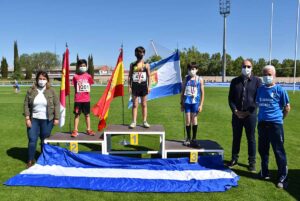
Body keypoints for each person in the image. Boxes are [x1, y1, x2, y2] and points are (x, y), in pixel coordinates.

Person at [256, 65, 290, 189]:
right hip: (262, 124)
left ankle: (283, 177)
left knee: (279, 151)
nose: (267, 76)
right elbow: (258, 104)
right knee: (263, 150)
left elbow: (287, 108)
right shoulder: (260, 89)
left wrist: (280, 119)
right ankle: (264, 172)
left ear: (274, 75)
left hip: (275, 124)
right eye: (265, 74)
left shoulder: (280, 90)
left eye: (269, 74)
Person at [228, 59, 262, 172]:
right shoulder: (234, 81)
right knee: (236, 138)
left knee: (251, 139)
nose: (246, 68)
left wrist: (248, 112)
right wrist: (235, 111)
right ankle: (234, 159)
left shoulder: (257, 81)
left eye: (248, 66)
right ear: (241, 67)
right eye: (244, 66)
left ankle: (252, 162)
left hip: (250, 116)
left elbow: (258, 99)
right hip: (237, 115)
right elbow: (230, 99)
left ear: (252, 68)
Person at [23, 71, 59, 168]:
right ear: (37, 79)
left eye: (44, 79)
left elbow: (56, 104)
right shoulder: (31, 90)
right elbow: (26, 104)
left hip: (47, 120)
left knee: (45, 140)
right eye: (40, 79)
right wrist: (27, 118)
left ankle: (44, 158)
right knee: (32, 139)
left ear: (47, 80)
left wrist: (56, 118)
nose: (42, 81)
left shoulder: (52, 91)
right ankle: (30, 159)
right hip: (33, 119)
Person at [180, 62, 204, 147]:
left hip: (195, 103)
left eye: (193, 69)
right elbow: (182, 92)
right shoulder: (186, 79)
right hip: (187, 102)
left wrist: (201, 105)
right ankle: (188, 138)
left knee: (194, 120)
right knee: (187, 120)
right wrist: (181, 103)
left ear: (197, 70)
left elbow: (202, 93)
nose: (191, 71)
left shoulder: (199, 79)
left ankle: (194, 139)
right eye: (190, 69)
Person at [128, 46, 151, 128]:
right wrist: (129, 86)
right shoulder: (132, 64)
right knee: (135, 105)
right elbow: (130, 76)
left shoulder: (146, 65)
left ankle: (144, 121)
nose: (139, 54)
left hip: (144, 87)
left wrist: (149, 86)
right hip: (135, 87)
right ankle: (134, 121)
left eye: (141, 52)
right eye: (138, 52)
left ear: (144, 54)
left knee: (144, 104)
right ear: (135, 54)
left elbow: (149, 76)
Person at [71, 59, 95, 137]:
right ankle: (75, 130)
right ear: (78, 67)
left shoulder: (88, 76)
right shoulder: (75, 77)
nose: (82, 67)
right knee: (77, 115)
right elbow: (75, 86)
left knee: (87, 115)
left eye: (84, 66)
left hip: (86, 99)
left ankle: (88, 129)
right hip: (78, 100)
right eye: (81, 66)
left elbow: (90, 85)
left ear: (86, 66)